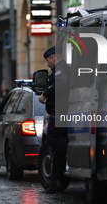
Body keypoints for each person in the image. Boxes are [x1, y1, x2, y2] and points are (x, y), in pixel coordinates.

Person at [39, 46, 70, 194]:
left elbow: (61, 84)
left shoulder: (61, 69)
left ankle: (57, 179)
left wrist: (45, 94)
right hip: (60, 111)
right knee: (55, 143)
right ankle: (59, 179)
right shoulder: (60, 70)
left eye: (48, 61)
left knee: (54, 142)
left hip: (60, 111)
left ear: (53, 58)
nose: (47, 64)